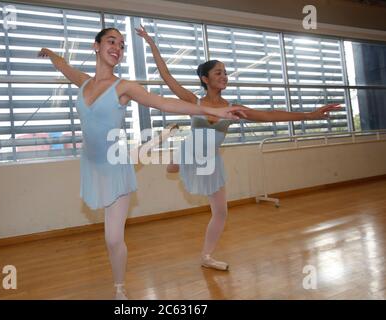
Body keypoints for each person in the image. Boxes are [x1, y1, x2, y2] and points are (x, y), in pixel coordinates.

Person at [38, 27, 245, 300]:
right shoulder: (84, 82)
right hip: (90, 165)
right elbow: (63, 66)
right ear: (96, 46)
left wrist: (211, 109)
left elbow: (164, 103)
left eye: (122, 45)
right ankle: (164, 146)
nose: (118, 47)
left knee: (113, 238)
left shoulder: (124, 87)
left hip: (116, 165)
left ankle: (119, 288)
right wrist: (50, 53)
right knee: (110, 234)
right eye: (112, 41)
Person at [136, 25, 341, 271]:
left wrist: (309, 115)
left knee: (221, 212)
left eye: (225, 72)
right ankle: (177, 156)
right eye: (218, 72)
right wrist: (151, 44)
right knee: (179, 160)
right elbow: (167, 77)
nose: (224, 76)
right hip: (192, 150)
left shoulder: (234, 108)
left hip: (211, 160)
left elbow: (270, 115)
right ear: (205, 79)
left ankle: (207, 256)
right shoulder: (195, 101)